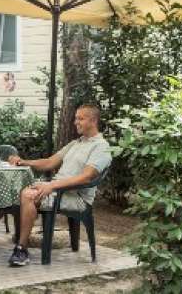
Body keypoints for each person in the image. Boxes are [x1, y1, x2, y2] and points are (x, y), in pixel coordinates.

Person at [7, 104, 112, 266]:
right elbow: (50, 162)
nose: (76, 122)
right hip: (58, 190)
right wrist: (23, 162)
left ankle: (21, 249)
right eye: (76, 118)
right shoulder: (76, 143)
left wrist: (53, 186)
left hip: (76, 197)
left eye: (80, 119)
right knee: (14, 191)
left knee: (28, 195)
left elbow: (86, 177)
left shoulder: (101, 147)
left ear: (93, 121)